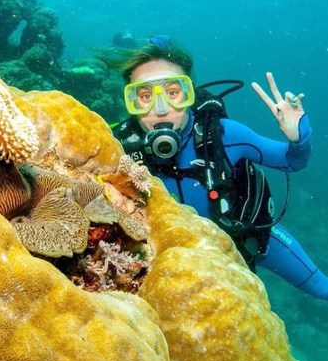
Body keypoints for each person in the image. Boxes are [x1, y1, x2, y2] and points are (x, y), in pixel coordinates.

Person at [107, 35, 328, 301]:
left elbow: (293, 161)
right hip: (167, 264)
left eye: (173, 93)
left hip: (248, 241)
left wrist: (298, 137)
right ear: (130, 103)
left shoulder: (223, 135)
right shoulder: (116, 149)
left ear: (189, 95)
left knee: (322, 288)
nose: (162, 109)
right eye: (144, 96)